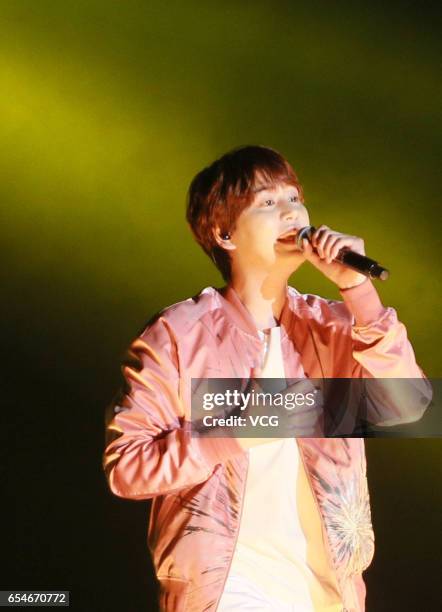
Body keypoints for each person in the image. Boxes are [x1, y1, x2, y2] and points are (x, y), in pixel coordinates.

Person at [103, 145, 430, 611]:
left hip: (329, 593)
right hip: (226, 590)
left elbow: (411, 404)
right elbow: (127, 467)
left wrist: (359, 290)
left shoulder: (332, 327)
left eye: (295, 199)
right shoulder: (179, 335)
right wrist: (233, 432)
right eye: (268, 203)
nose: (291, 212)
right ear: (224, 233)